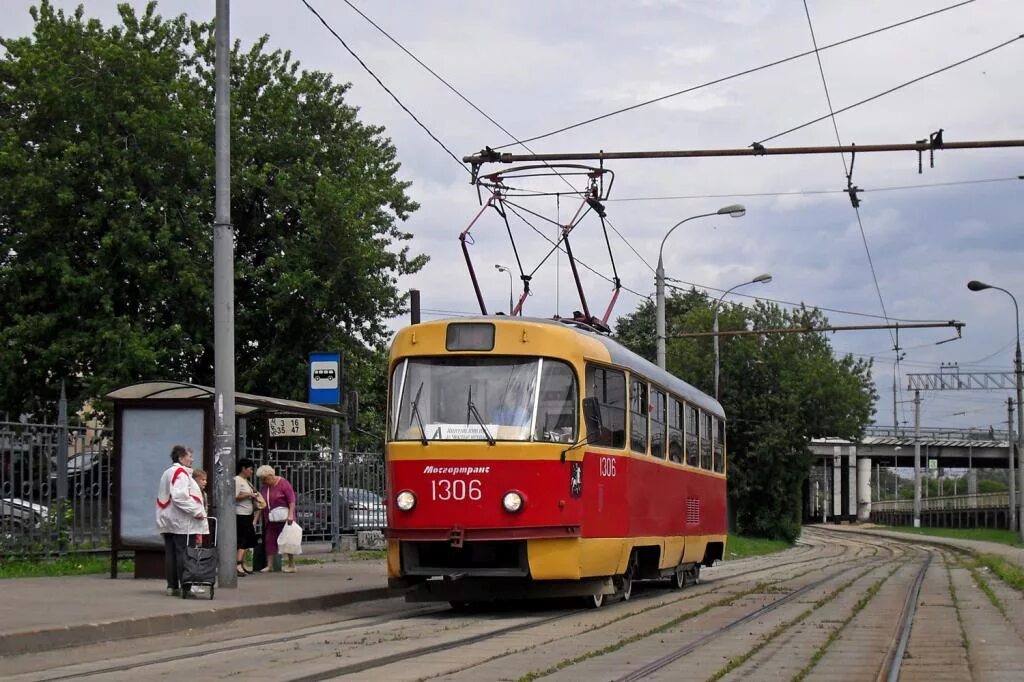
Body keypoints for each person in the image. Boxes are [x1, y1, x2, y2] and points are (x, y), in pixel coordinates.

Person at [155, 445, 208, 596]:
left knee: (171, 553)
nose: (192, 459)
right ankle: (187, 587)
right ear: (180, 458)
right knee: (185, 554)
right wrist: (197, 511)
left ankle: (172, 586)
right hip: (182, 521)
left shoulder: (168, 472)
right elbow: (180, 497)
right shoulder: (180, 473)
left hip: (168, 519)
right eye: (189, 456)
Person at [256, 464, 297, 573]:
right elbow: (262, 503)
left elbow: (291, 500)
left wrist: (291, 515)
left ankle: (291, 564)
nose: (262, 482)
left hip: (285, 518)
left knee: (288, 540)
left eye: (264, 479)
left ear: (270, 476)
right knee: (270, 540)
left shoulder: (283, 483)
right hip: (271, 518)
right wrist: (256, 519)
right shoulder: (265, 487)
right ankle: (270, 565)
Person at [234, 458, 260, 576]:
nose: (252, 472)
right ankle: (237, 564)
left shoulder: (246, 481)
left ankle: (242, 564)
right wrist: (249, 494)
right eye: (250, 469)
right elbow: (235, 496)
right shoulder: (237, 480)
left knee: (247, 540)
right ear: (243, 469)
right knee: (242, 540)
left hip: (248, 514)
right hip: (241, 514)